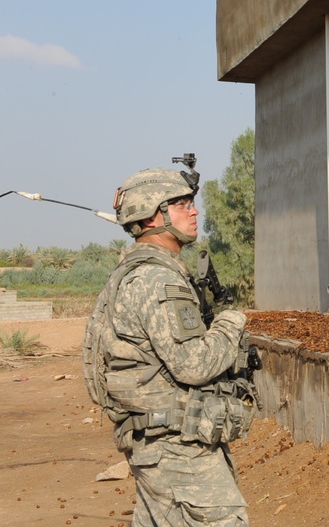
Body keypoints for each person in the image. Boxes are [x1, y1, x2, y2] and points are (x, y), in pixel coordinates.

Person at [84, 164, 253, 525]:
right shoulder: (158, 280)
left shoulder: (135, 273)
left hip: (159, 446)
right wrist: (230, 321)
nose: (194, 211)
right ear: (151, 217)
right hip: (177, 450)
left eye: (191, 202)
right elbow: (193, 365)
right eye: (181, 204)